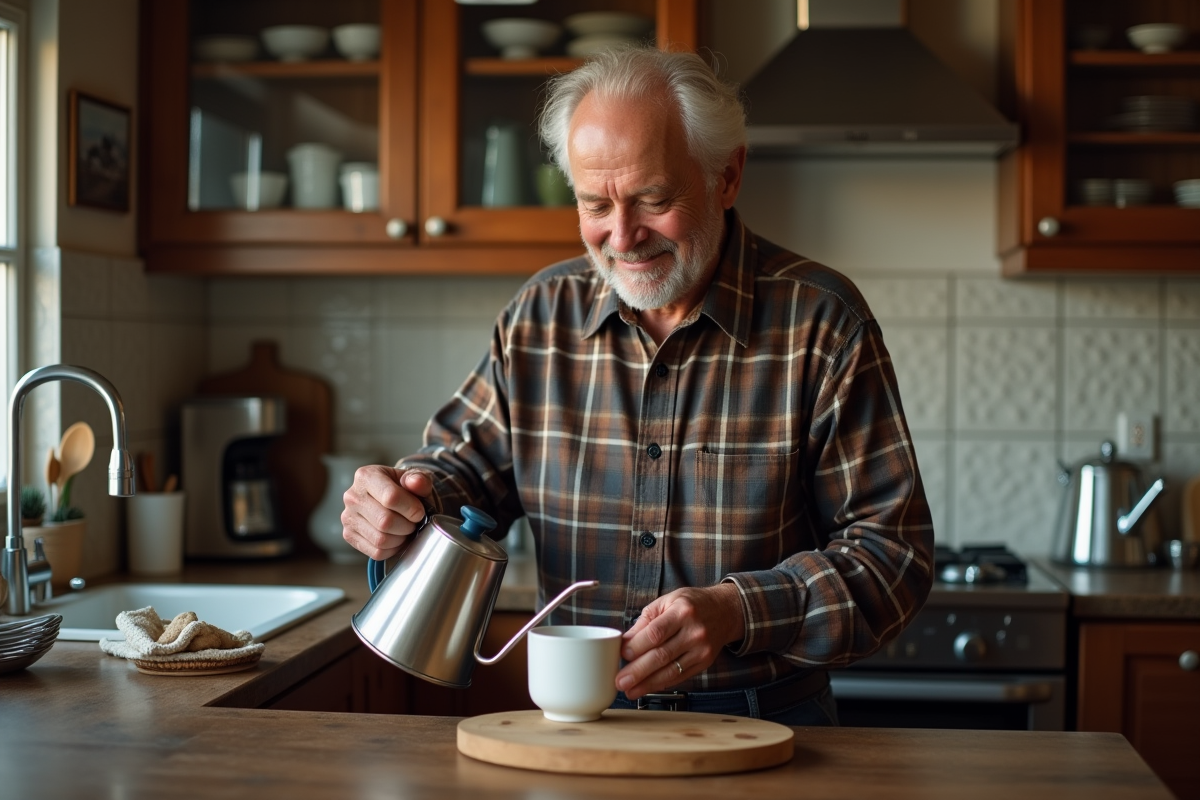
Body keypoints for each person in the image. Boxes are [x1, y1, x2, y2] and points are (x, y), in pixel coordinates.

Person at [342, 46, 934, 726]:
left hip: (764, 726)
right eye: (596, 203)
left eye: (654, 199)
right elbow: (461, 474)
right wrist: (401, 500)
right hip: (578, 725)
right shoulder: (541, 316)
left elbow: (895, 558)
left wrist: (740, 609)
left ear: (727, 176)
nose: (622, 236)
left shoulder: (821, 322)